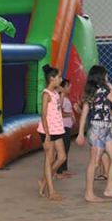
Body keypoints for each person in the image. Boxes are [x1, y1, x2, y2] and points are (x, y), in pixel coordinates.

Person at [77, 65, 112, 202]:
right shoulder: (104, 90)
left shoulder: (91, 91)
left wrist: (81, 133)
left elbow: (84, 113)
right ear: (102, 76)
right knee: (94, 163)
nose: (107, 76)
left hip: (104, 130)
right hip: (98, 131)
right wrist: (111, 86)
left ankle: (109, 189)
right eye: (106, 74)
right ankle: (89, 193)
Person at [36, 65, 67, 200]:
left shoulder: (55, 92)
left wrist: (60, 89)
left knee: (62, 157)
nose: (61, 79)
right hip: (48, 130)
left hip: (57, 129)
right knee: (49, 159)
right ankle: (51, 192)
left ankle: (44, 181)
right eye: (59, 77)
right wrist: (47, 136)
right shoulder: (46, 94)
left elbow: (61, 95)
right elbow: (43, 115)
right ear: (52, 78)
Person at [57, 78, 75, 177]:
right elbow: (60, 113)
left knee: (66, 148)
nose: (70, 88)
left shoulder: (66, 98)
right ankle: (58, 171)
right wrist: (70, 115)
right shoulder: (61, 99)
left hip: (67, 126)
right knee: (62, 149)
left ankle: (64, 169)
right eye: (68, 86)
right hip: (63, 126)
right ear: (63, 87)